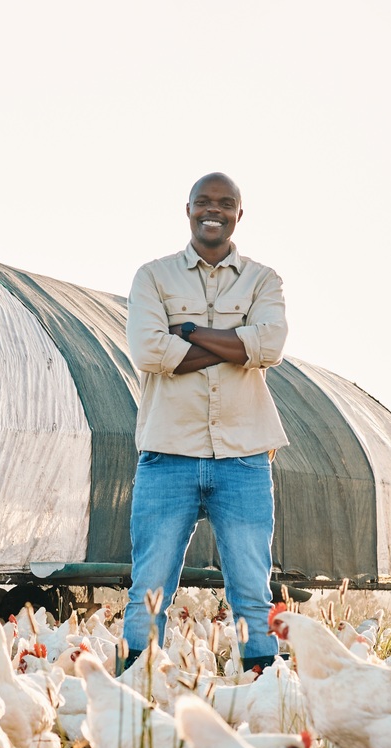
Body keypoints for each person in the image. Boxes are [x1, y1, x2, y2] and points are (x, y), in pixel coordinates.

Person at [123, 172, 288, 675]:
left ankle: (264, 690)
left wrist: (189, 333)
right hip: (168, 453)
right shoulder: (153, 276)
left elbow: (271, 348)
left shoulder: (264, 280)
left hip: (243, 456)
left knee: (250, 586)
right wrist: (235, 343)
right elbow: (149, 351)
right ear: (188, 208)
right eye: (203, 202)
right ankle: (137, 686)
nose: (212, 210)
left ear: (240, 212)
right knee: (149, 583)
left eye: (225, 203)